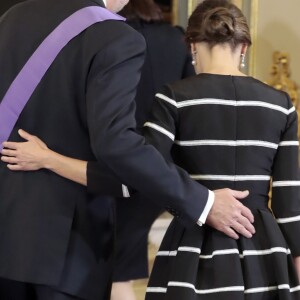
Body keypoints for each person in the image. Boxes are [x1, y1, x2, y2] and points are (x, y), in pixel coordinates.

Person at [0, 0, 255, 300]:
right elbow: (116, 142)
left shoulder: (14, 15)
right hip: (65, 247)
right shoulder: (113, 35)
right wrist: (203, 202)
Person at [143, 1, 300, 299]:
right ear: (243, 48)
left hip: (193, 244)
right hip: (264, 251)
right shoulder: (280, 105)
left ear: (191, 45)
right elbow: (289, 202)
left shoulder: (173, 98)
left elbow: (150, 171)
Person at [112, 1, 195, 299]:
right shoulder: (176, 39)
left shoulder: (109, 35)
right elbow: (190, 101)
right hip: (167, 164)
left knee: (117, 268)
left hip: (120, 161)